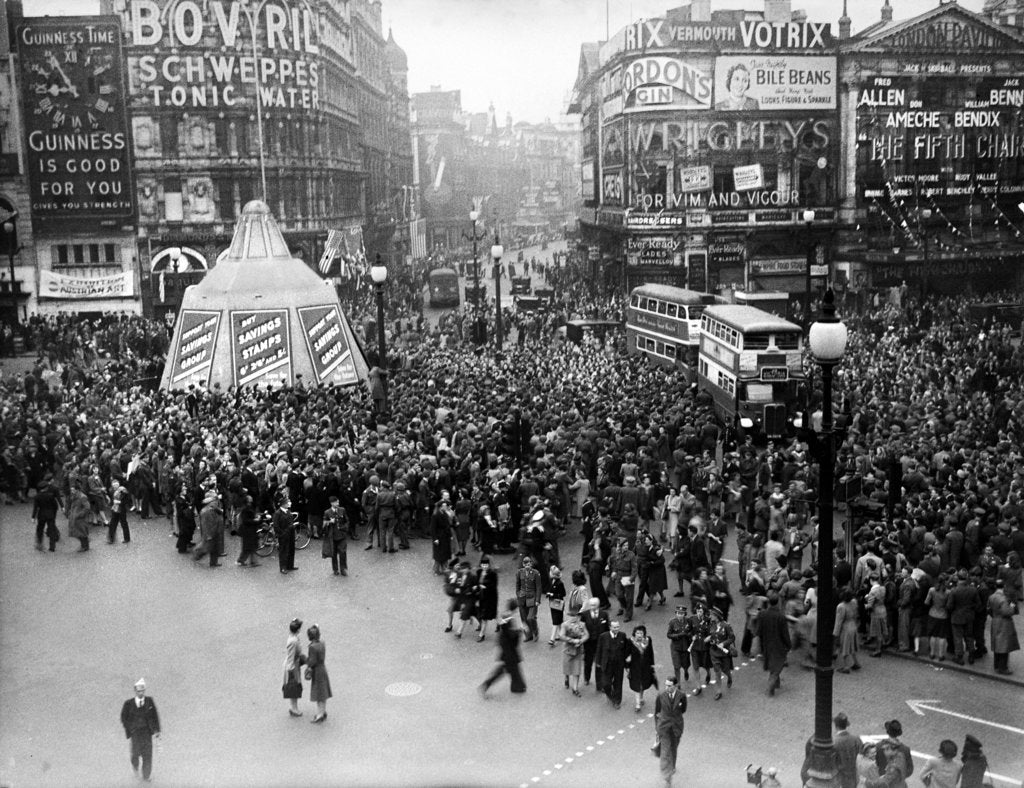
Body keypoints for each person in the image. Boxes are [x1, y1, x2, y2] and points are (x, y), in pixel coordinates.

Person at [479, 599, 526, 696]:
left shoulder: (505, 616)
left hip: (506, 647)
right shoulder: (509, 618)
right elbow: (511, 634)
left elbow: (505, 631)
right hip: (509, 649)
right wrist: (520, 630)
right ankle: (487, 684)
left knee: (510, 668)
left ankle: (517, 686)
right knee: (507, 669)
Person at [120, 678, 160, 782]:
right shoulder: (128, 704)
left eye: (142, 691)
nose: (141, 693)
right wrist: (130, 728)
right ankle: (135, 768)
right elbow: (123, 718)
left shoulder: (149, 701)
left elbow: (155, 716)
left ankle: (146, 777)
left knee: (147, 755)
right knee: (135, 754)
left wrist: (157, 730)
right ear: (135, 691)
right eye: (138, 691)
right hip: (135, 734)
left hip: (147, 733)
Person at [653, 675, 686, 787]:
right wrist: (657, 728)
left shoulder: (682, 696)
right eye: (666, 685)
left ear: (675, 686)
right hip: (664, 728)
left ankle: (672, 766)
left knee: (673, 749)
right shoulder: (660, 696)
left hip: (677, 727)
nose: (667, 688)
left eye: (669, 686)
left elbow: (683, 709)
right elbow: (657, 712)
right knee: (665, 752)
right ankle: (667, 777)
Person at [756, 591, 791, 696]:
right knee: (777, 665)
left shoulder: (762, 614)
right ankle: (770, 687)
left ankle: (776, 683)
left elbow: (758, 631)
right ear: (778, 602)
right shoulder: (781, 616)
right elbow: (785, 633)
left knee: (773, 663)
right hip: (778, 644)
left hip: (766, 643)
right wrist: (788, 645)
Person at [988, 578, 1020, 675]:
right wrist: (1013, 606)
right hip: (1004, 623)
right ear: (1004, 586)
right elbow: (1007, 612)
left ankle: (996, 665)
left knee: (997, 644)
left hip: (995, 621)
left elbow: (988, 609)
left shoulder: (991, 596)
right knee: (1004, 645)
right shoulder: (1004, 599)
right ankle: (1003, 667)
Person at [596, 618, 629, 708]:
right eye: (614, 627)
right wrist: (598, 662)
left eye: (618, 627)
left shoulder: (622, 635)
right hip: (607, 664)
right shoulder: (603, 636)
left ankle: (617, 701)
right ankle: (610, 695)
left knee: (618, 683)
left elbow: (625, 650)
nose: (616, 629)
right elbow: (599, 649)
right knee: (606, 684)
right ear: (610, 627)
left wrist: (627, 665)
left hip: (618, 664)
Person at [705, 605, 735, 700]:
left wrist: (724, 643)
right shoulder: (711, 624)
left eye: (712, 615)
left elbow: (732, 638)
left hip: (723, 653)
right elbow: (711, 635)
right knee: (717, 672)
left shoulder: (726, 626)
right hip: (714, 652)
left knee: (725, 670)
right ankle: (719, 691)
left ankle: (729, 677)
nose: (710, 616)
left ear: (717, 616)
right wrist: (709, 638)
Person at [626, 624, 657, 711]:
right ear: (634, 633)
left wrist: (652, 665)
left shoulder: (648, 640)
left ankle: (641, 697)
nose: (639, 635)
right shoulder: (630, 641)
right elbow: (627, 654)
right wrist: (627, 666)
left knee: (643, 684)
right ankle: (637, 704)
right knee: (637, 685)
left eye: (641, 633)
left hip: (645, 667)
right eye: (637, 633)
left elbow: (650, 652)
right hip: (634, 667)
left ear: (644, 634)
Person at [581, 597, 610, 690]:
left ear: (598, 605)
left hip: (600, 643)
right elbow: (581, 628)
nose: (592, 607)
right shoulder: (584, 615)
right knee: (588, 662)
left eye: (594, 605)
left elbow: (607, 629)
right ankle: (587, 678)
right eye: (590, 605)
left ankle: (599, 684)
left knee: (599, 664)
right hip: (588, 643)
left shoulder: (604, 614)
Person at [305, 625, 331, 723]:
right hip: (322, 668)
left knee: (319, 694)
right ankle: (323, 711)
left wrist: (306, 662)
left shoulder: (312, 647)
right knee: (323, 692)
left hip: (317, 672)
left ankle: (320, 715)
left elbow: (312, 661)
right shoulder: (322, 643)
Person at [560, 609, 589, 696]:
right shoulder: (565, 625)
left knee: (577, 670)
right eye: (571, 616)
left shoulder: (582, 624)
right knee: (567, 667)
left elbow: (587, 635)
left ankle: (575, 688)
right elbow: (561, 636)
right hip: (568, 650)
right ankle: (566, 677)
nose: (573, 618)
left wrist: (581, 641)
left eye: (575, 616)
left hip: (578, 650)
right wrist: (572, 641)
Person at [193, 488, 224, 567]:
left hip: (215, 531)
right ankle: (197, 553)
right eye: (215, 500)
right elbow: (205, 524)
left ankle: (213, 562)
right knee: (206, 547)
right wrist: (208, 535)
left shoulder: (213, 508)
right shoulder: (207, 511)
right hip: (210, 533)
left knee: (214, 548)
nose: (217, 502)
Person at [833, 587, 861, 673]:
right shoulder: (854, 602)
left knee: (844, 647)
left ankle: (846, 667)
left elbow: (839, 621)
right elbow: (856, 614)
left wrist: (836, 633)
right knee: (852, 645)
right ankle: (856, 662)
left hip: (845, 627)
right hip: (853, 625)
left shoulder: (841, 606)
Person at [515, 555, 543, 642]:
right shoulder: (519, 573)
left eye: (529, 564)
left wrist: (537, 600)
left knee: (530, 617)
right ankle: (528, 635)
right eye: (526, 564)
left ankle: (535, 631)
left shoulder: (536, 573)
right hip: (522, 599)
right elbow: (518, 585)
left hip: (532, 598)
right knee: (524, 618)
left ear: (531, 564)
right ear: (523, 565)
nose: (528, 566)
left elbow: (538, 587)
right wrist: (518, 594)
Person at [832, 712, 863, 788]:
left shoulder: (834, 742)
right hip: (855, 777)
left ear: (836, 726)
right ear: (846, 725)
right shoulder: (856, 739)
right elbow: (862, 756)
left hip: (840, 779)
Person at [32, 475, 62, 552]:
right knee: (52, 530)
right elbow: (54, 505)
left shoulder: (37, 497)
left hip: (41, 515)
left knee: (40, 529)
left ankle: (39, 544)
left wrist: (33, 517)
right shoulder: (50, 496)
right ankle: (52, 547)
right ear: (46, 488)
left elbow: (35, 507)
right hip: (50, 514)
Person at [282, 617, 305, 717]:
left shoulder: (293, 637)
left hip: (294, 664)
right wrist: (291, 671)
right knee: (294, 687)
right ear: (298, 629)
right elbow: (291, 657)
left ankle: (293, 707)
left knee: (294, 687)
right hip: (292, 666)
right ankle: (294, 708)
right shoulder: (293, 641)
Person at [666, 605, 693, 685]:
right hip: (675, 647)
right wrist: (678, 635)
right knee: (676, 666)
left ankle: (686, 671)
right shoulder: (672, 622)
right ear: (676, 613)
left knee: (686, 664)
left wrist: (689, 634)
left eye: (682, 613)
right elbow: (668, 635)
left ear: (685, 614)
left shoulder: (688, 621)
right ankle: (678, 683)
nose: (680, 615)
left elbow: (692, 630)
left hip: (685, 646)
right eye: (678, 613)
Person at [474, 555, 499, 641]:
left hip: (490, 598)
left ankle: (482, 634)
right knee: (492, 614)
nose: (484, 566)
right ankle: (499, 623)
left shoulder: (493, 574)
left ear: (489, 565)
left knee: (485, 616)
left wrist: (485, 587)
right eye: (483, 565)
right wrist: (477, 587)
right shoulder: (479, 572)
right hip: (481, 596)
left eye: (486, 565)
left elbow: (494, 586)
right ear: (481, 565)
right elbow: (477, 582)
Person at [322, 496, 349, 576]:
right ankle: (335, 569)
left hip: (342, 535)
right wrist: (330, 521)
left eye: (338, 502)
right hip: (332, 536)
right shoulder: (327, 512)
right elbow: (323, 524)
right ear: (332, 503)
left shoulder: (342, 510)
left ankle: (343, 569)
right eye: (336, 502)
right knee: (333, 554)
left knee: (343, 552)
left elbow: (347, 520)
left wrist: (345, 528)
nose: (338, 503)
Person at [235, 495, 260, 567]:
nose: (251, 498)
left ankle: (252, 561)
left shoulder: (248, 508)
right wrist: (255, 520)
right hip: (248, 531)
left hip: (250, 530)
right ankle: (241, 560)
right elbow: (246, 520)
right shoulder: (246, 509)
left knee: (251, 547)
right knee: (248, 547)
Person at [546, 565, 566, 645]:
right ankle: (561, 634)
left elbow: (563, 594)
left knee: (555, 621)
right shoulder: (552, 581)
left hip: (558, 604)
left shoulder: (560, 583)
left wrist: (552, 594)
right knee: (559, 620)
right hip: (553, 603)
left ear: (554, 574)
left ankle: (552, 638)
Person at [107, 478, 131, 544]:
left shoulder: (123, 490)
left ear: (119, 484)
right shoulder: (111, 490)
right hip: (115, 509)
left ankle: (127, 538)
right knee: (112, 524)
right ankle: (111, 539)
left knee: (124, 523)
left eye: (116, 485)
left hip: (121, 509)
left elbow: (127, 500)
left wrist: (119, 502)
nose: (115, 486)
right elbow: (112, 500)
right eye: (114, 485)